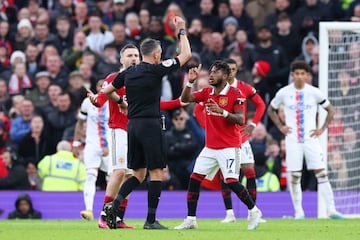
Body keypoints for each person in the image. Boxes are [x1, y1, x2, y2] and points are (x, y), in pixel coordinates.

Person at [101, 16, 191, 230]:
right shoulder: (156, 69)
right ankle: (150, 220)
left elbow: (106, 90)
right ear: (157, 54)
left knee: (138, 173)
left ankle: (113, 206)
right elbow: (186, 55)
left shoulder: (128, 73)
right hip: (151, 125)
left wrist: (118, 101)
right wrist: (181, 30)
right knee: (157, 172)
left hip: (132, 126)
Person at [174, 61, 262, 231]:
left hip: (229, 146)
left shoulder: (236, 94)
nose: (211, 75)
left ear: (225, 75)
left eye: (215, 72)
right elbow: (185, 99)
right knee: (194, 179)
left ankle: (254, 211)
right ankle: (191, 219)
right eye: (211, 72)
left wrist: (222, 111)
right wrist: (190, 82)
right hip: (210, 147)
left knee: (231, 182)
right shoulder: (207, 92)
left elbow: (240, 119)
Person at [267, 60, 344, 219]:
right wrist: (281, 127)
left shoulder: (315, 92)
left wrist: (322, 129)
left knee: (322, 173)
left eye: (303, 73)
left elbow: (330, 110)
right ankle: (299, 212)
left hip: (310, 139)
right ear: (292, 75)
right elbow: (271, 110)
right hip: (292, 139)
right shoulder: (284, 92)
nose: (300, 76)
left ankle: (331, 210)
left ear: (307, 75)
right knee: (295, 175)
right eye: (297, 73)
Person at [218, 58, 266, 223]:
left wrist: (253, 124)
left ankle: (252, 213)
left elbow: (261, 105)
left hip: (241, 137)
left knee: (250, 171)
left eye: (233, 69)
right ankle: (229, 213)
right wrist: (207, 127)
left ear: (237, 71)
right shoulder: (217, 88)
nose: (230, 72)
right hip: (222, 138)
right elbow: (199, 108)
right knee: (226, 175)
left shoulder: (244, 88)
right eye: (228, 69)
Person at [73, 79, 110, 221]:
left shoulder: (114, 101)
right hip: (92, 144)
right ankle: (88, 210)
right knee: (90, 176)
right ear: (96, 86)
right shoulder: (87, 102)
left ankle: (110, 211)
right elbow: (80, 122)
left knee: (112, 177)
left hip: (110, 145)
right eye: (100, 85)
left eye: (105, 85)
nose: (103, 87)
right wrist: (76, 143)